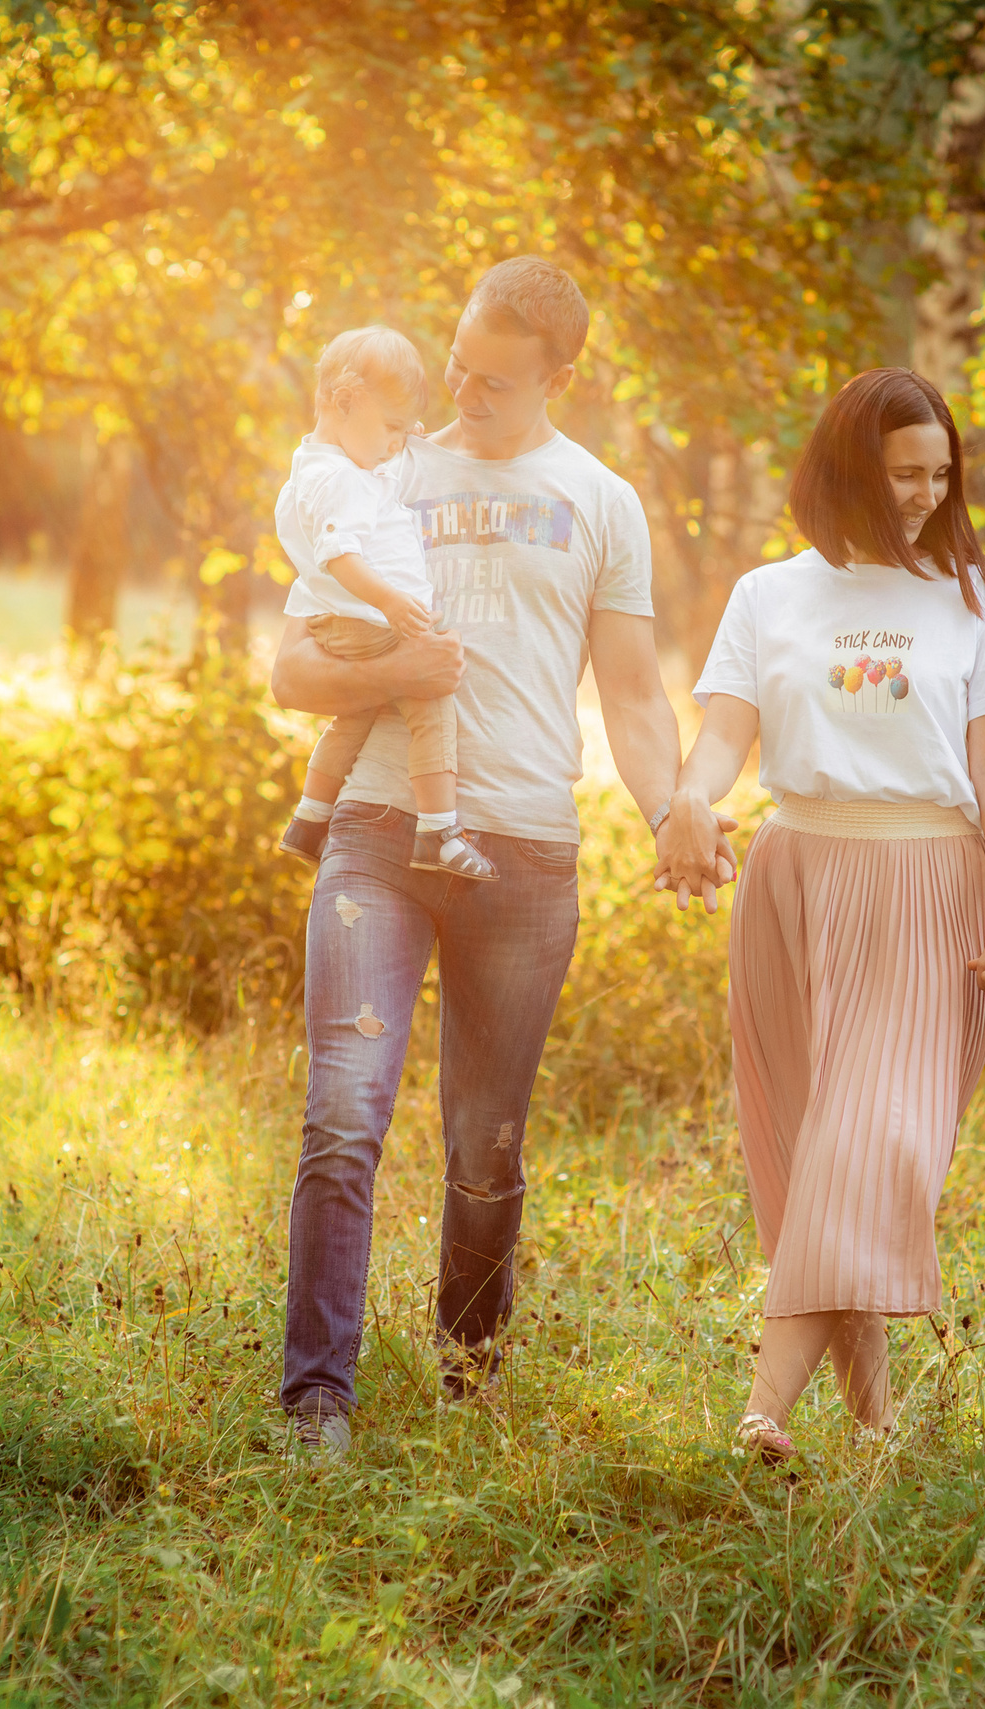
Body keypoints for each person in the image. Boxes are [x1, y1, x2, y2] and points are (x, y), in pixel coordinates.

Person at [268, 258, 699, 1460]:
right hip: (378, 832)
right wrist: (390, 677)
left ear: (560, 377)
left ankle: (470, 1376)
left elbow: (631, 692)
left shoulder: (602, 501)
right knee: (343, 1109)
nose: (461, 391)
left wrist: (674, 810)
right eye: (455, 362)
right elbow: (292, 671)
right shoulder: (384, 470)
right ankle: (316, 1399)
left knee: (485, 1145)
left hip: (524, 852)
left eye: (494, 381)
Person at [655, 367, 985, 1463]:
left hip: (930, 882)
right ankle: (877, 1429)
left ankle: (761, 1409)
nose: (926, 493)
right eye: (903, 472)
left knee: (872, 1146)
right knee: (810, 1146)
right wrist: (692, 801)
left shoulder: (977, 595)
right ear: (848, 471)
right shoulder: (768, 594)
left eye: (940, 472)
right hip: (793, 877)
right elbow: (726, 733)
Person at [275, 325, 496, 880]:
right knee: (433, 705)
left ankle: (308, 817)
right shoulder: (342, 483)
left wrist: (400, 432)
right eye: (391, 428)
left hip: (341, 622)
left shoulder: (322, 465)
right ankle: (440, 831)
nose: (397, 443)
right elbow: (340, 555)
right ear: (343, 401)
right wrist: (393, 603)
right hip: (372, 617)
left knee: (353, 719)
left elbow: (374, 472)